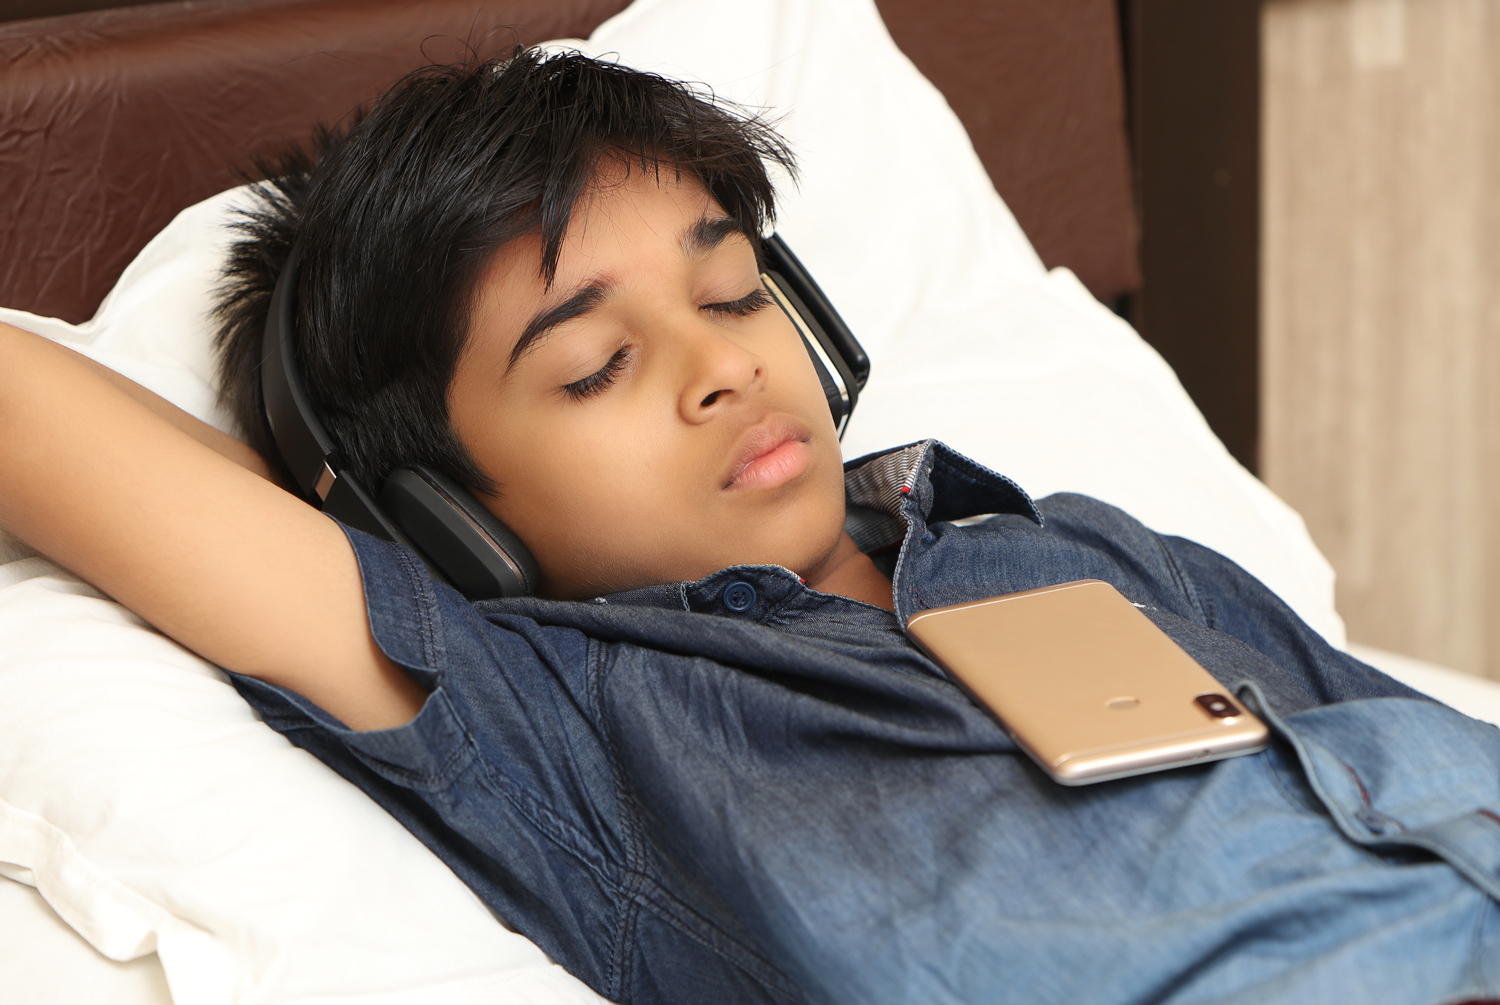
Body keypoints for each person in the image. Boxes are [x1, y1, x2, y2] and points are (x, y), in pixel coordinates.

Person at [2, 49, 1499, 1005]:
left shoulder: (1087, 542)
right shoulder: (561, 723)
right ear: (443, 517)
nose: (728, 362)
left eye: (730, 294)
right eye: (595, 366)